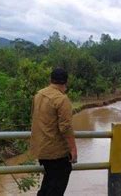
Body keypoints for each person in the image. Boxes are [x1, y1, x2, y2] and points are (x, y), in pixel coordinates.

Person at [30, 68, 78, 196]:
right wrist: (73, 149)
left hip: (41, 150)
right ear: (65, 83)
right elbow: (65, 128)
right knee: (56, 188)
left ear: (50, 80)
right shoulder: (62, 99)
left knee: (48, 184)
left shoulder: (38, 95)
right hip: (56, 152)